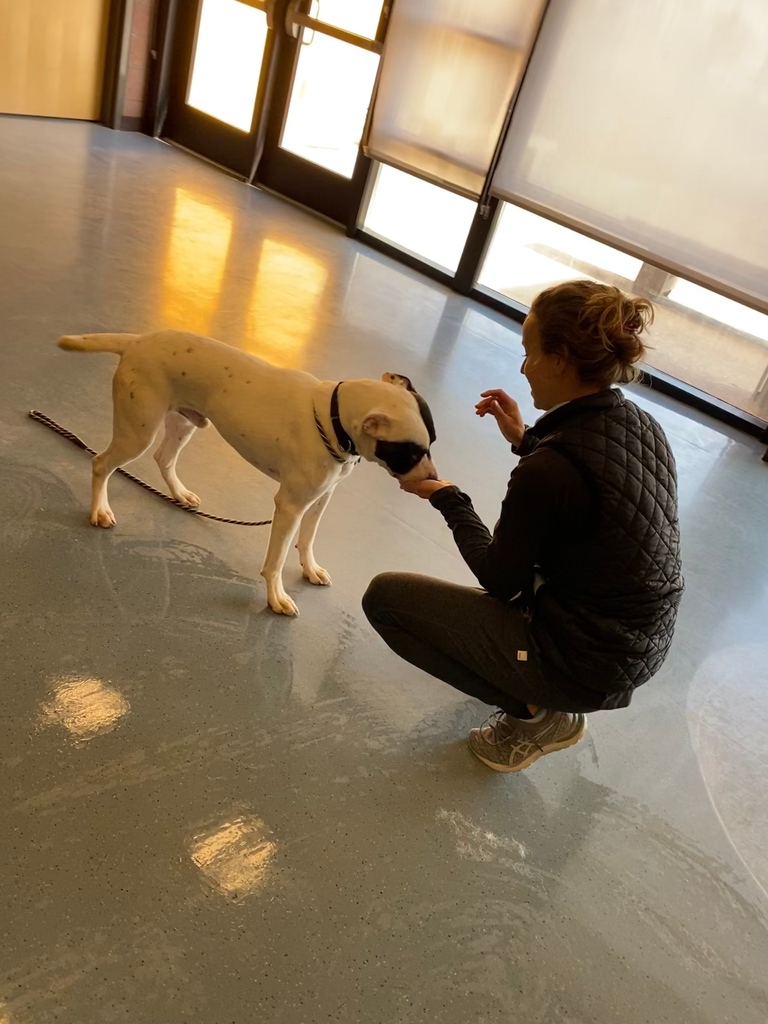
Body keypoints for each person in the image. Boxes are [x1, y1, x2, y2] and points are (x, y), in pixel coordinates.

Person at [363, 280, 684, 773]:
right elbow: (593, 493)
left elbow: (499, 577)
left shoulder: (548, 469)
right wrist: (525, 438)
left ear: (559, 358)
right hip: (634, 644)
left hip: (583, 659)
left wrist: (449, 498)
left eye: (529, 353)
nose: (522, 367)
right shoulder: (639, 423)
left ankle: (537, 714)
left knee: (385, 600)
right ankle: (531, 683)